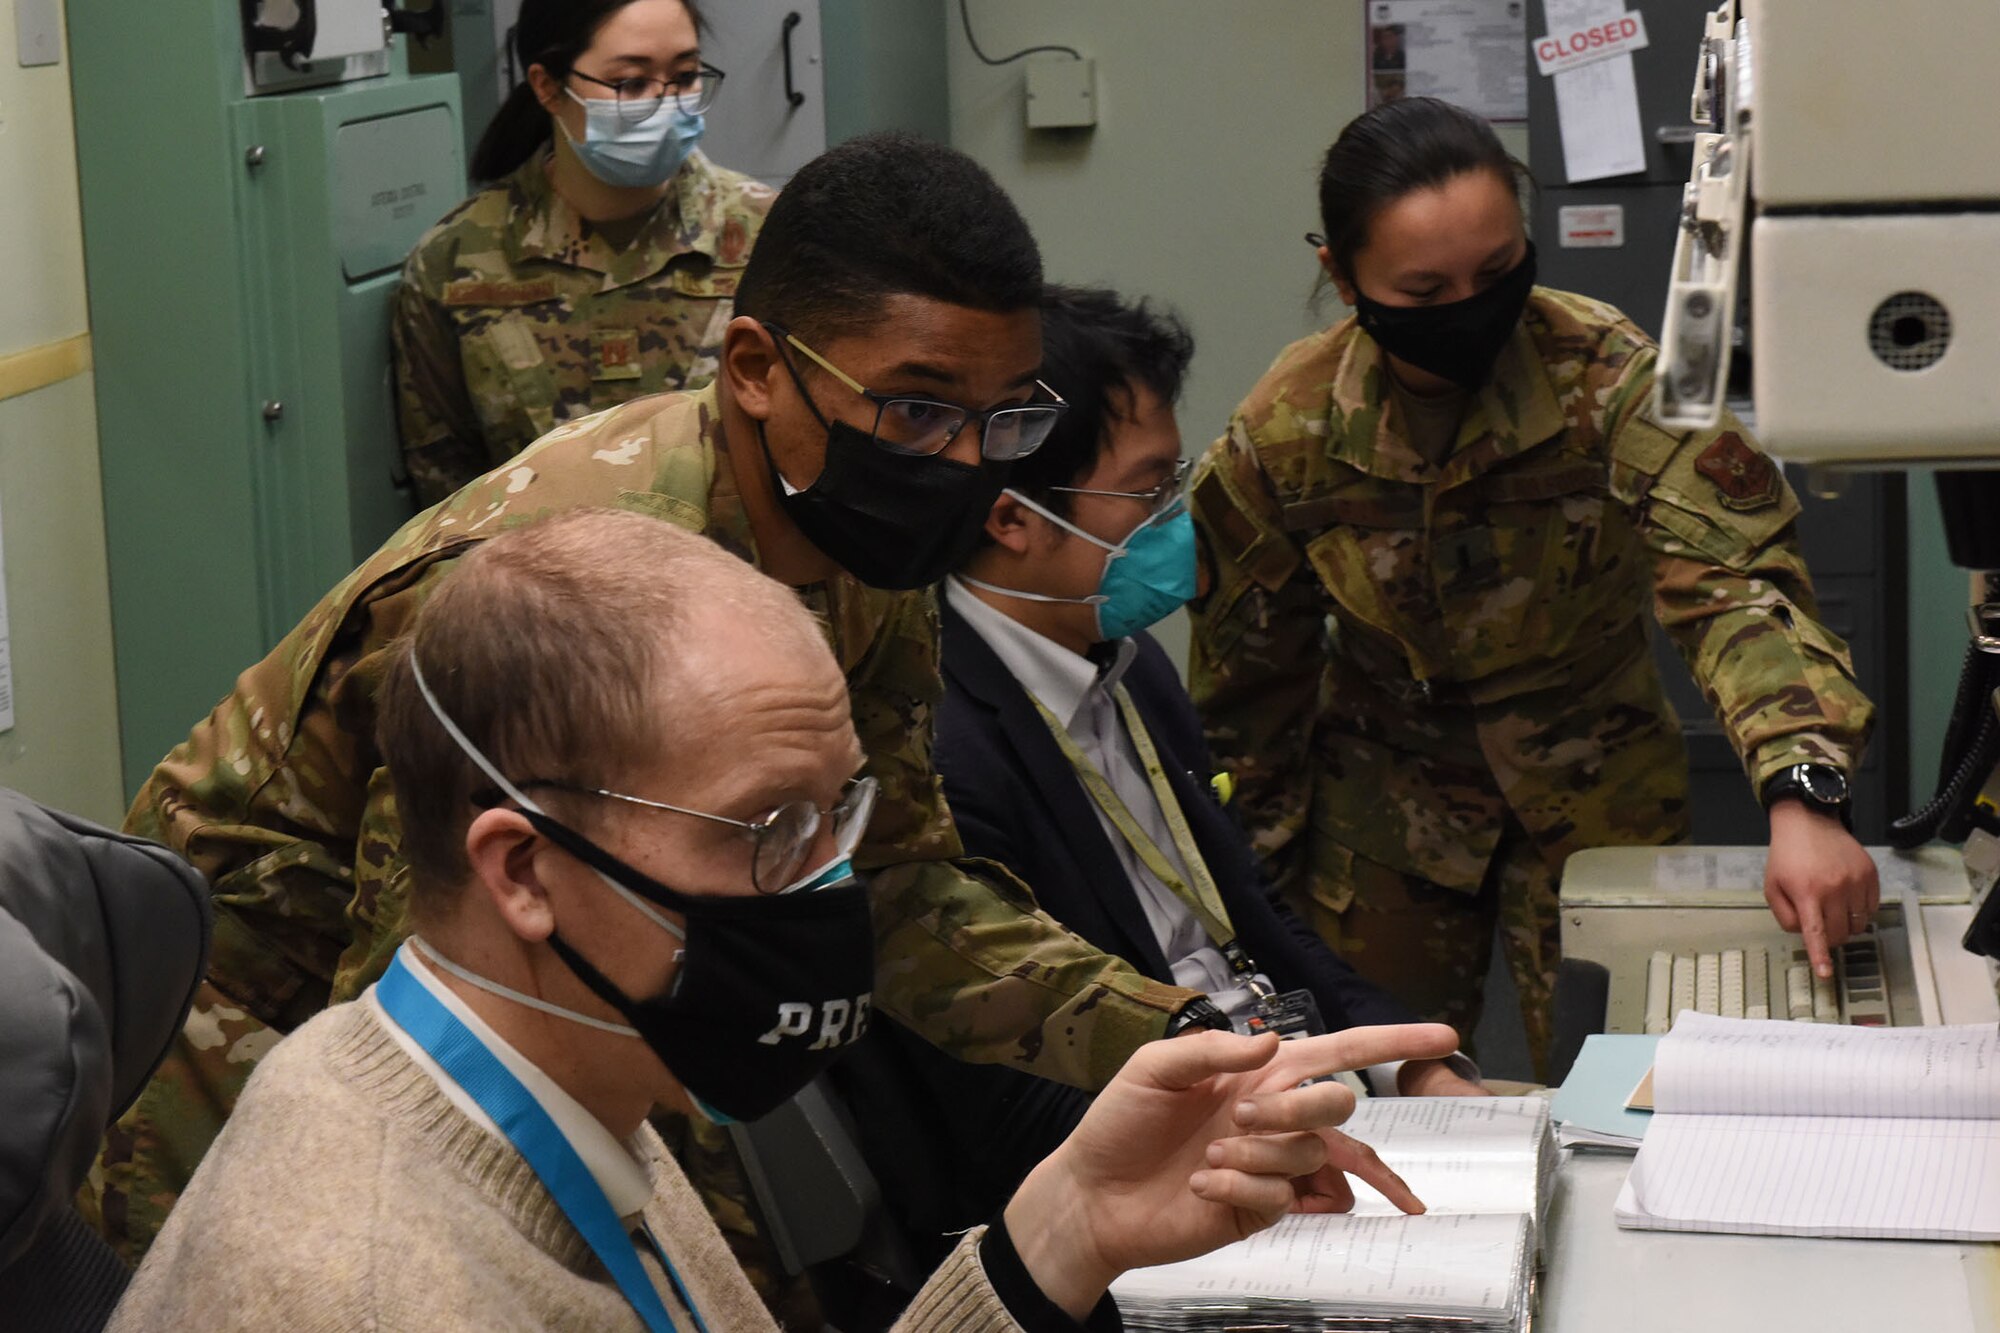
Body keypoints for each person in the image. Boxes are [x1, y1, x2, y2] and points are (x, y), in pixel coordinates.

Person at [90, 132, 1220, 1269]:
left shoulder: (858, 535)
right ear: (754, 369)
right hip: (241, 994)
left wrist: (1181, 1034)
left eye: (1005, 420)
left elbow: (890, 891)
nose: (967, 465)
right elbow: (445, 1017)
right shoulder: (570, 591)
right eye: (918, 412)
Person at [103, 509, 1458, 1332]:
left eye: (839, 815)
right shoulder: (371, 1285)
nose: (828, 886)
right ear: (522, 870)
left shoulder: (555, 1082)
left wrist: (1069, 1226)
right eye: (771, 834)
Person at [1188, 98, 1878, 1077]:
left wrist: (1801, 787)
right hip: (1384, 811)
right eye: (1424, 290)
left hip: (1596, 784)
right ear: (1340, 277)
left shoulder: (1610, 380)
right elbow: (1247, 681)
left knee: (1624, 1081)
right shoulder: (1285, 431)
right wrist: (1241, 895)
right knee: (1383, 1089)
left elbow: (1729, 580)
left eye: (1497, 272)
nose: (1469, 307)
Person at [844, 285, 1486, 1242]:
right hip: (1167, 1185)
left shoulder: (1127, 671)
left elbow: (1257, 929)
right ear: (1010, 519)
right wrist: (1262, 1130)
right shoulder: (939, 756)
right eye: (1148, 492)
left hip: (1285, 1103)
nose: (1176, 518)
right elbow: (1008, 1115)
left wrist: (1413, 1071)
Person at [393, 0, 775, 505]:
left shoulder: (767, 234)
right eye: (630, 84)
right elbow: (444, 487)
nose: (665, 104)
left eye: (684, 77)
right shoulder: (456, 262)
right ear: (549, 86)